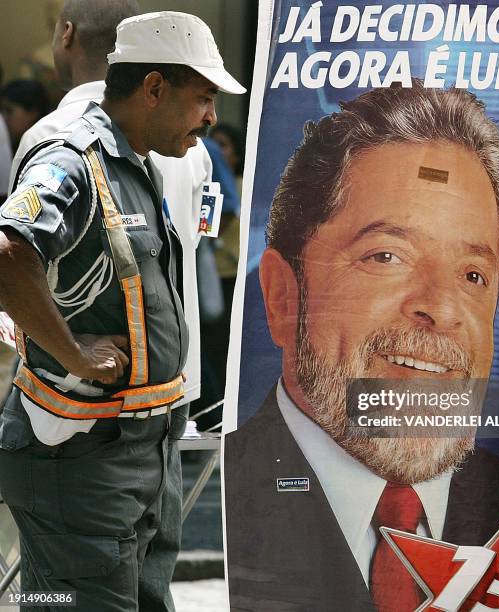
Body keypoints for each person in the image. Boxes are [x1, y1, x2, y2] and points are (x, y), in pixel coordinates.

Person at [224, 82, 499, 611]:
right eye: (387, 256)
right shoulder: (228, 496)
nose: (443, 308)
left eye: (474, 274)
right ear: (283, 297)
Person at [0, 10, 244, 611]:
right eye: (203, 98)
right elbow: (9, 253)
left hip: (140, 452)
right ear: (154, 88)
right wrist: (74, 353)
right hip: (80, 460)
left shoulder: (137, 159)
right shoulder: (73, 154)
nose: (212, 118)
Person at [1, 80, 51, 152]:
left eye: (9, 111)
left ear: (32, 112)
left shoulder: (46, 149)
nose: (4, 118)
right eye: (2, 111)